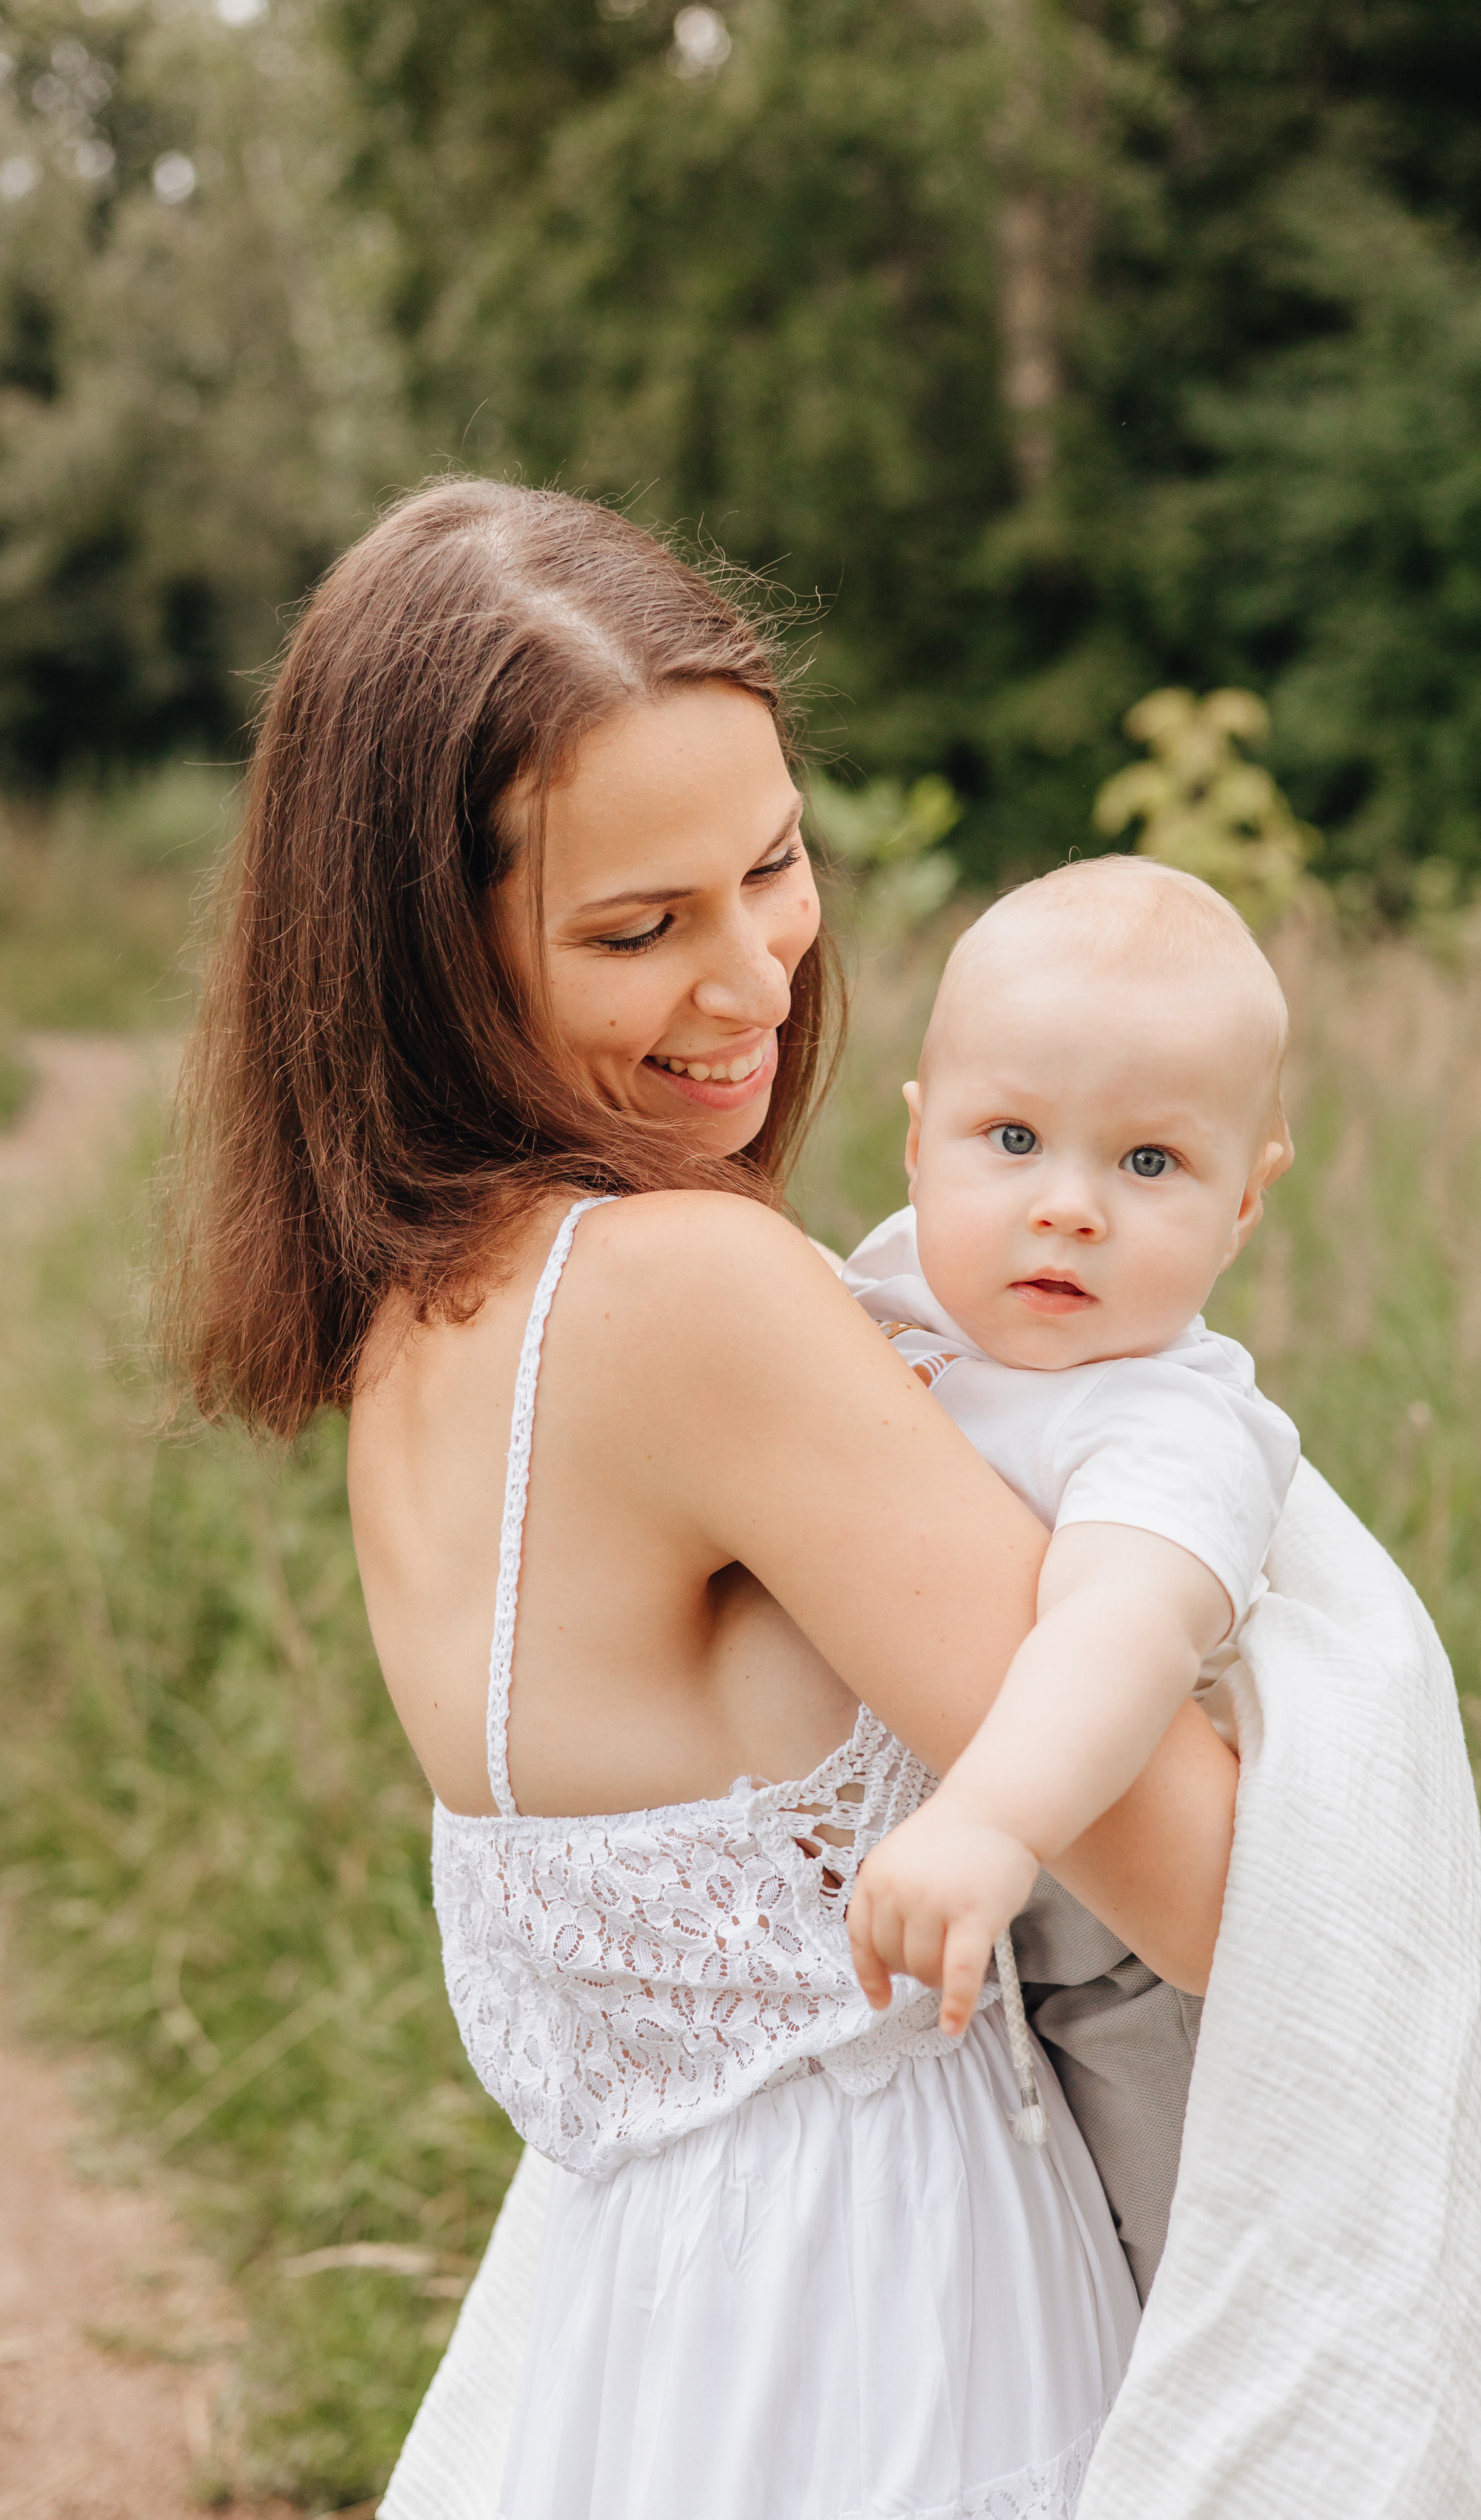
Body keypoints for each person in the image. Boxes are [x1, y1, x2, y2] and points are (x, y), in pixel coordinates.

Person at [158, 476, 1243, 2520]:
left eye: (772, 864)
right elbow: (1209, 1890)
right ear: (427, 959)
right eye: (639, 930)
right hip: (897, 2340)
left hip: (644, 2336)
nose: (753, 976)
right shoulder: (688, 1296)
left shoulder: (426, 1314)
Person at [841, 856, 1299, 2280]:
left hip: (1112, 1952)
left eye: (1148, 1163)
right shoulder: (892, 1282)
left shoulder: (1163, 1417)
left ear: (1243, 1202)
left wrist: (990, 1817)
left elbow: (1120, 1624)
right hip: (922, 1921)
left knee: (1174, 2276)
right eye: (1011, 1137)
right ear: (917, 1143)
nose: (1070, 1206)